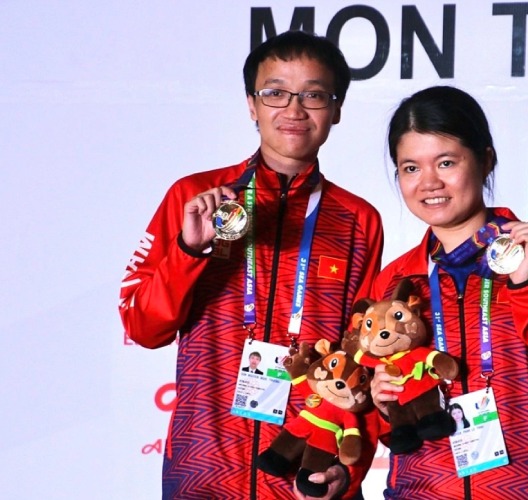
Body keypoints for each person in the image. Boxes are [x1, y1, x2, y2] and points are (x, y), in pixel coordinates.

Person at [119, 31, 384, 500]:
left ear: (337, 109)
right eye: (275, 93)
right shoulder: (195, 198)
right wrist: (189, 251)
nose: (294, 109)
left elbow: (365, 360)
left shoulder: (357, 220)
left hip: (307, 473)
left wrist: (351, 472)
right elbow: (144, 326)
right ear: (251, 105)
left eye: (313, 95)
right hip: (204, 474)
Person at [369, 86, 528, 499]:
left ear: (486, 159)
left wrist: (526, 286)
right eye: (410, 168)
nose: (429, 182)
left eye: (446, 162)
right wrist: (383, 401)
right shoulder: (397, 280)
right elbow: (391, 429)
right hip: (422, 490)